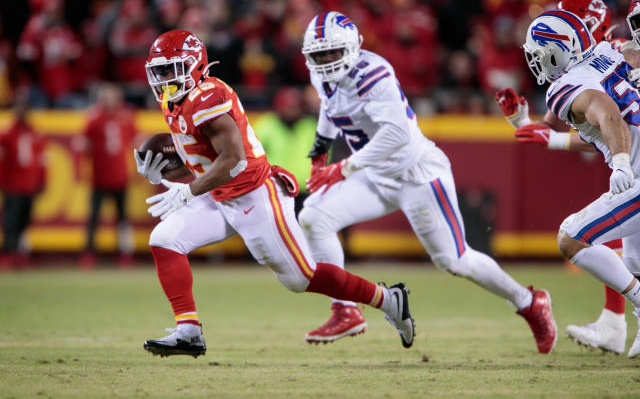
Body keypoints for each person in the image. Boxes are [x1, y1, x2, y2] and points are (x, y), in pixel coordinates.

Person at [135, 30, 415, 358]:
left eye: (172, 68)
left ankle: (388, 299)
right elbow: (201, 157)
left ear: (194, 65)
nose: (165, 77)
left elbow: (232, 158)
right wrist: (164, 172)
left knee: (300, 278)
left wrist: (188, 192)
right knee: (165, 239)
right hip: (220, 195)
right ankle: (188, 331)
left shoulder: (207, 95)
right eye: (160, 70)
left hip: (254, 194)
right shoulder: (175, 102)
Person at [298, 11, 557, 353]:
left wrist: (342, 168)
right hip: (375, 176)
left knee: (454, 260)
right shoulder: (323, 76)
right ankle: (345, 308)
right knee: (314, 217)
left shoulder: (373, 75)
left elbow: (397, 135)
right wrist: (319, 153)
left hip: (415, 173)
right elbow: (330, 108)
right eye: (320, 55)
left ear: (353, 47)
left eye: (333, 52)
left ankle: (529, 302)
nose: (327, 61)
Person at [495, 0, 629, 355]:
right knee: (629, 259)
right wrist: (531, 127)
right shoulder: (615, 55)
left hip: (631, 165)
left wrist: (619, 160)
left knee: (576, 238)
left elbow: (609, 120)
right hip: (628, 158)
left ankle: (619, 321)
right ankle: (615, 325)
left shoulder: (571, 81)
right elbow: (598, 130)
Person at [73, 83, 137, 268]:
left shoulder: (125, 116)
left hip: (120, 175)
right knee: (94, 217)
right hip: (99, 176)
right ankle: (89, 252)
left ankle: (125, 253)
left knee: (123, 218)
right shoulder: (94, 117)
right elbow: (82, 144)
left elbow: (136, 140)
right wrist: (80, 170)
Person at [253, 86, 318, 214]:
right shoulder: (267, 124)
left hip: (305, 190)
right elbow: (251, 153)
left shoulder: (310, 126)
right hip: (275, 188)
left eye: (295, 108)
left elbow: (323, 157)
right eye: (287, 107)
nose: (291, 111)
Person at [0, 94, 46, 268]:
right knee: (10, 221)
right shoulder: (6, 133)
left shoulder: (35, 133)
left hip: (29, 184)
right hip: (12, 185)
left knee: (25, 221)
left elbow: (42, 160)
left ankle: (20, 253)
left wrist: (42, 180)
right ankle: (7, 253)